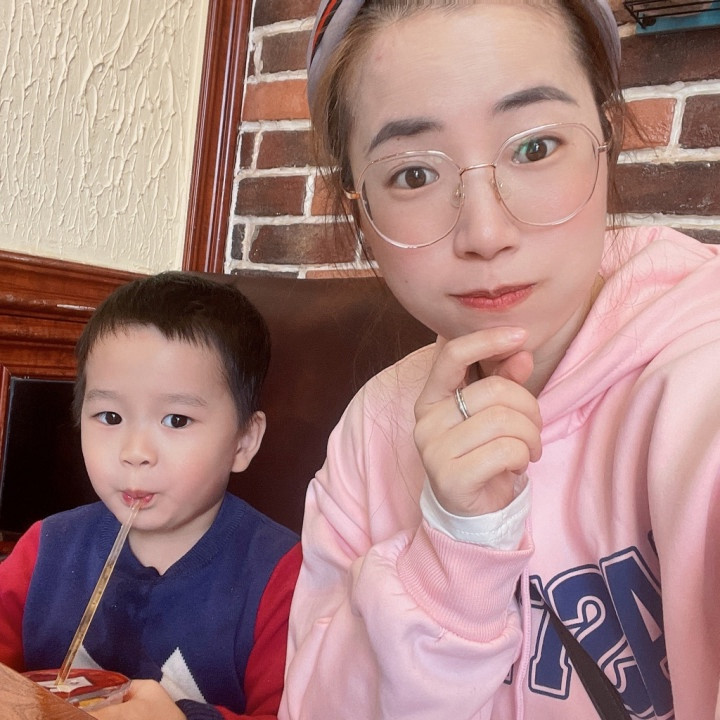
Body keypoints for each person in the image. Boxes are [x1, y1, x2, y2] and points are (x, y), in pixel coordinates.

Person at [279, 1, 720, 718]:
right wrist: (454, 557)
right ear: (359, 210)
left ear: (605, 139)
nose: (484, 232)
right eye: (413, 175)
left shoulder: (701, 373)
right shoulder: (372, 430)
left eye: (535, 147)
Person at [0, 272, 301, 720]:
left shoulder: (284, 577)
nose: (135, 452)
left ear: (243, 441)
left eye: (176, 420)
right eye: (110, 416)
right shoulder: (44, 549)